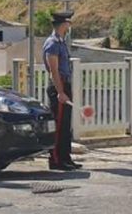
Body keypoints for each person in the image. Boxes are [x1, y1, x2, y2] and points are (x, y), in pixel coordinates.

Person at [43, 11, 82, 171]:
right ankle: (56, 159)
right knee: (59, 126)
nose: (70, 25)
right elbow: (54, 71)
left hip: (65, 84)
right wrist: (60, 92)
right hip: (58, 86)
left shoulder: (61, 42)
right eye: (68, 22)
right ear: (63, 24)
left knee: (66, 125)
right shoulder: (52, 43)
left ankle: (66, 158)